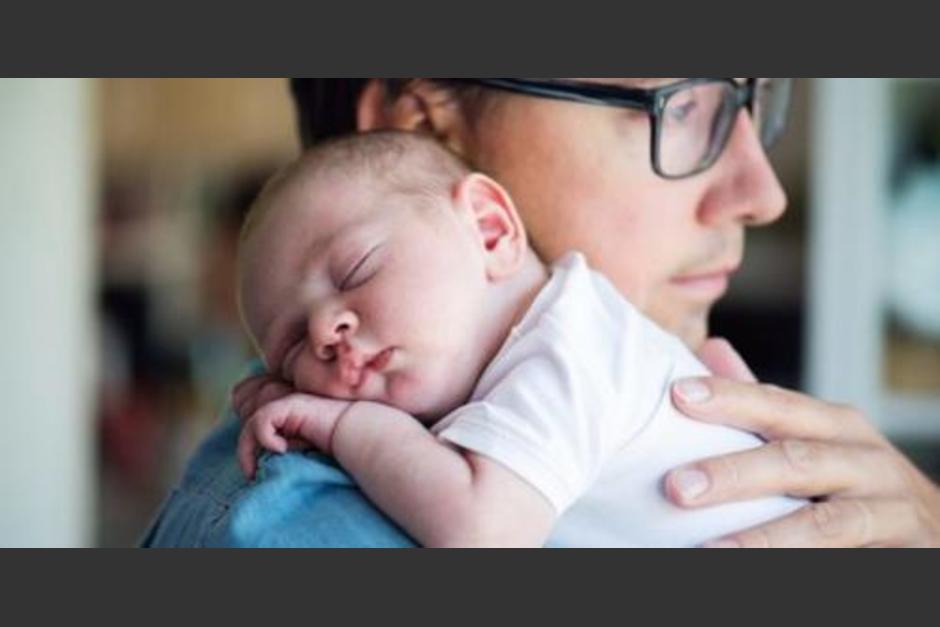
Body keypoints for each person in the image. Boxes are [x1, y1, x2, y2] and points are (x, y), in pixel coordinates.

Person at [142, 78, 940, 548]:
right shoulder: (298, 530)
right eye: (682, 105)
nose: (761, 193)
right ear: (424, 127)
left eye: (751, 102)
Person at [232, 130, 803, 547]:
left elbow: (483, 533)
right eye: (291, 351)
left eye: (357, 270)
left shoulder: (567, 347)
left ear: (488, 230)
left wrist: (343, 425)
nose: (326, 333)